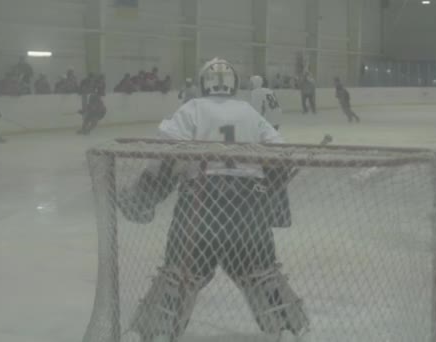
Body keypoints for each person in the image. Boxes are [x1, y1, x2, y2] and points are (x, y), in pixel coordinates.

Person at [119, 58, 308, 342]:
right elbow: (280, 155)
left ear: (202, 82)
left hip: (200, 201)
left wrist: (144, 195)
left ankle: (156, 333)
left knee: (180, 274)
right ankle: (288, 327)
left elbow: (165, 153)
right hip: (248, 203)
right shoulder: (248, 111)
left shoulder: (192, 108)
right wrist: (272, 191)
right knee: (260, 270)